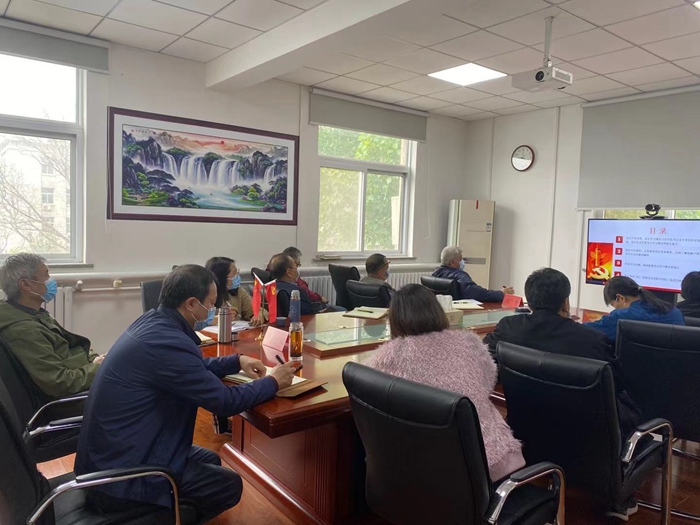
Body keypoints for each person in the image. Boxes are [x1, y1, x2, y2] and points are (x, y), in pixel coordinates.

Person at [74, 265, 297, 522]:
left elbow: (189, 367)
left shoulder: (154, 322)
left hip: (113, 453)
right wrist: (273, 382)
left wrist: (236, 361)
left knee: (210, 459)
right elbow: (224, 402)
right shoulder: (167, 341)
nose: (213, 310)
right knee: (228, 485)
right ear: (191, 304)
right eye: (210, 304)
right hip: (120, 479)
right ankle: (157, 515)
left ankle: (172, 505)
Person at [363, 284, 525, 482]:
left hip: (421, 468)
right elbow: (488, 382)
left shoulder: (386, 357)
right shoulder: (469, 342)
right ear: (437, 311)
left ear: (394, 319)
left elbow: (368, 385)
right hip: (488, 461)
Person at [484, 268, 643, 446]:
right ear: (566, 303)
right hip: (586, 442)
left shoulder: (508, 328)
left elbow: (485, 359)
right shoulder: (592, 340)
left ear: (529, 303)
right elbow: (617, 384)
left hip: (524, 435)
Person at [0, 253, 104, 400]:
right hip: (69, 402)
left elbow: (68, 350)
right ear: (26, 285)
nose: (51, 280)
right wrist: (98, 368)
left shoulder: (32, 314)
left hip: (80, 380)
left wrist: (95, 361)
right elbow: (59, 383)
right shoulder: (24, 330)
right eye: (46, 275)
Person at [585, 275, 685, 341]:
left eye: (614, 305)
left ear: (620, 298)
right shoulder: (675, 312)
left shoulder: (620, 317)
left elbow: (586, 331)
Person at [432, 246, 514, 302]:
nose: (463, 261)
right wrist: (501, 293)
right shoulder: (459, 275)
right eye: (461, 259)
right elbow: (477, 293)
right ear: (452, 262)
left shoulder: (435, 274)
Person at [205, 256, 263, 326]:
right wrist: (221, 318)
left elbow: (259, 310)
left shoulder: (238, 291)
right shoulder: (203, 294)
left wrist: (258, 315)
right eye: (235, 273)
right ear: (222, 277)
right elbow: (197, 320)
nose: (237, 276)